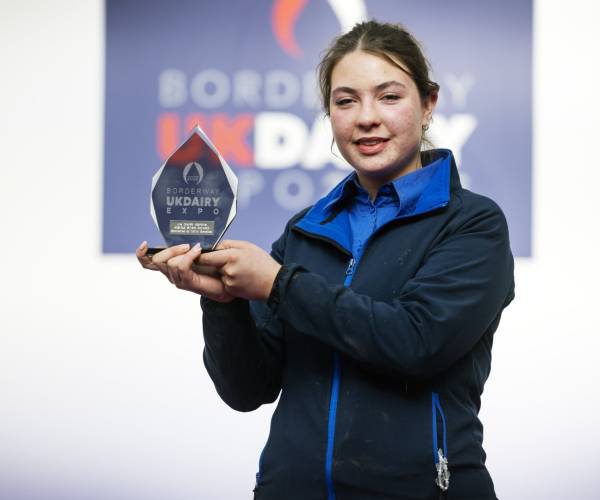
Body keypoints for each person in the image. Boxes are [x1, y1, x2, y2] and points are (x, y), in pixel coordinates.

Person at [137, 20, 514, 500]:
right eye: (345, 101)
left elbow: (416, 342)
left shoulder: (472, 223)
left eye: (389, 97)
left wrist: (278, 285)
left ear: (428, 105)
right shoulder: (306, 228)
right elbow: (246, 390)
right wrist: (224, 303)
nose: (366, 118)